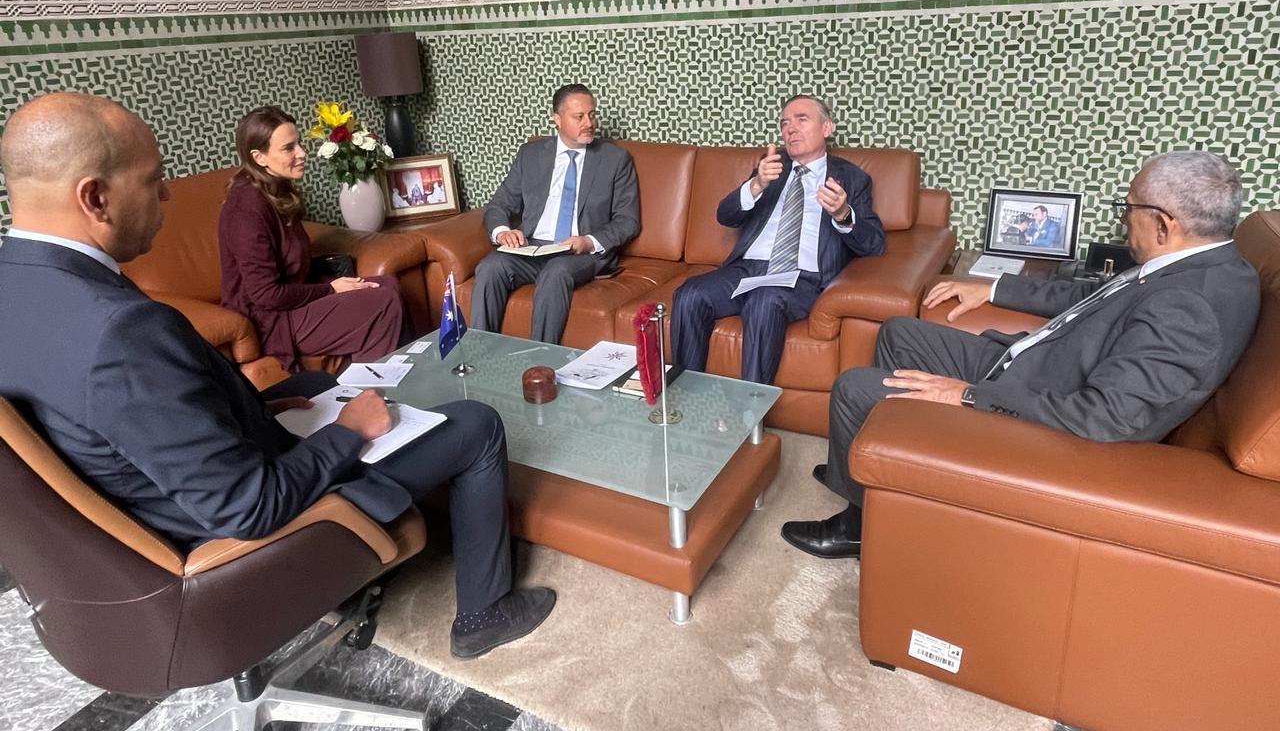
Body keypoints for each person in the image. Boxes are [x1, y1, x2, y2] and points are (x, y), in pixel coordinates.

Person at [0, 93, 554, 660]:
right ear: (95, 198)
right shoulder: (121, 333)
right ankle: (484, 614)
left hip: (154, 502)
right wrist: (351, 431)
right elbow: (249, 507)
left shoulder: (16, 286)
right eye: (154, 179)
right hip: (230, 543)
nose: (165, 194)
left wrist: (248, 410)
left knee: (313, 388)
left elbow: (125, 420)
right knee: (476, 424)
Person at [781, 151, 1260, 560]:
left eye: (1128, 207)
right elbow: (1091, 297)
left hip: (1034, 414)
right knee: (899, 332)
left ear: (1163, 223)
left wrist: (966, 396)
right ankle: (869, 469)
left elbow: (1106, 418)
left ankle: (859, 526)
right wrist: (992, 287)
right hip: (1030, 368)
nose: (1122, 218)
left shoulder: (1190, 305)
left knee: (854, 388)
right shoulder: (1195, 264)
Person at [670, 95, 885, 384]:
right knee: (689, 294)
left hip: (800, 277)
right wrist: (756, 184)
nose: (790, 129)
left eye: (801, 120)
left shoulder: (852, 178)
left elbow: (875, 244)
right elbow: (725, 216)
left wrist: (843, 213)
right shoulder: (771, 167)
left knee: (764, 301)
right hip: (747, 269)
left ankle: (752, 408)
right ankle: (685, 394)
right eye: (784, 123)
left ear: (827, 128)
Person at [218, 106, 404, 373]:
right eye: (289, 148)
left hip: (292, 299)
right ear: (259, 157)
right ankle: (370, 388)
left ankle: (390, 373)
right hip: (269, 319)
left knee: (388, 285)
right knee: (381, 303)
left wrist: (335, 283)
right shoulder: (246, 209)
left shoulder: (275, 190)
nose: (302, 153)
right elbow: (265, 295)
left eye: (299, 144)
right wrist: (331, 289)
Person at [471, 83, 639, 344]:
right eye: (579, 116)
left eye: (592, 115)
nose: (589, 123)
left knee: (556, 271)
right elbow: (499, 204)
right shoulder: (530, 154)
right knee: (490, 267)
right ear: (557, 119)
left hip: (579, 253)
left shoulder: (615, 159)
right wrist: (503, 232)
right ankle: (479, 351)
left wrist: (588, 241)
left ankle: (541, 360)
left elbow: (628, 220)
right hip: (532, 248)